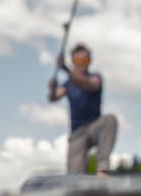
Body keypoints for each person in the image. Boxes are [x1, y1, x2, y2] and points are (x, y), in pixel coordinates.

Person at [48, 44, 118, 177]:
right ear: (73, 62)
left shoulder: (95, 77)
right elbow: (53, 97)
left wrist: (65, 69)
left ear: (89, 62)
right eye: (77, 61)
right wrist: (52, 87)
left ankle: (102, 170)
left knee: (110, 120)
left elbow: (88, 84)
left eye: (84, 61)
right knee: (74, 177)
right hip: (77, 133)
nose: (80, 64)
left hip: (95, 126)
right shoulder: (67, 84)